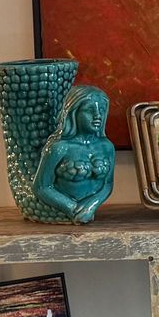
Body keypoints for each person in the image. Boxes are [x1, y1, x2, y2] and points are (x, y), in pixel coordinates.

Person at [30, 84, 114, 223]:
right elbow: (41, 187)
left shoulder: (106, 147)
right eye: (89, 110)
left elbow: (108, 185)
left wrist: (91, 206)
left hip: (88, 212)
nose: (98, 115)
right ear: (73, 112)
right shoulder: (59, 148)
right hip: (62, 214)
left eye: (102, 110)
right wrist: (72, 208)